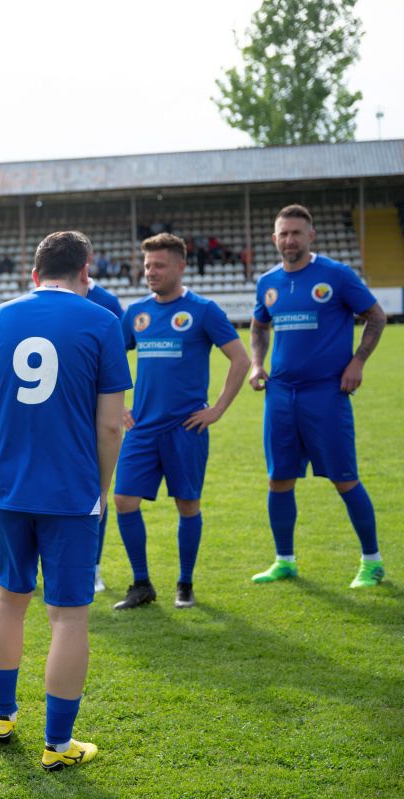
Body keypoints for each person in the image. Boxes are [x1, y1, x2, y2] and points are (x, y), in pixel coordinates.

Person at [0, 231, 129, 772]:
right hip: (70, 493)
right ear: (86, 271)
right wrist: (101, 488)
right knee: (68, 616)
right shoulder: (103, 322)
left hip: (6, 489)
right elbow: (111, 425)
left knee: (8, 598)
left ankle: (2, 716)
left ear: (34, 273)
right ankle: (58, 744)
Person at [249, 204, 387, 588]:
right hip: (280, 394)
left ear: (311, 236)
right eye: (283, 233)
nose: (289, 239)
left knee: (344, 478)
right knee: (279, 479)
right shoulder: (268, 282)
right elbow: (258, 326)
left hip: (326, 392)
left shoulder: (336, 275)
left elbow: (376, 317)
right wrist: (257, 364)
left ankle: (372, 562)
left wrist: (357, 361)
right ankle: (284, 561)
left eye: (296, 232)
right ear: (274, 239)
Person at [111, 234, 250, 611]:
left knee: (187, 505)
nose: (150, 272)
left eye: (159, 265)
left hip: (186, 428)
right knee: (123, 500)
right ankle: (141, 584)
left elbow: (240, 359)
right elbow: (110, 359)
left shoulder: (203, 310)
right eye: (147, 266)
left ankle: (185, 584)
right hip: (142, 427)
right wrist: (119, 404)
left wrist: (217, 409)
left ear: (181, 266)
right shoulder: (136, 313)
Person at [84, 269, 123, 593]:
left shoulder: (107, 302)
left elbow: (119, 355)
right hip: (62, 412)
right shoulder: (46, 300)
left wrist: (116, 402)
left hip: (97, 411)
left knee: (97, 491)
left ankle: (93, 567)